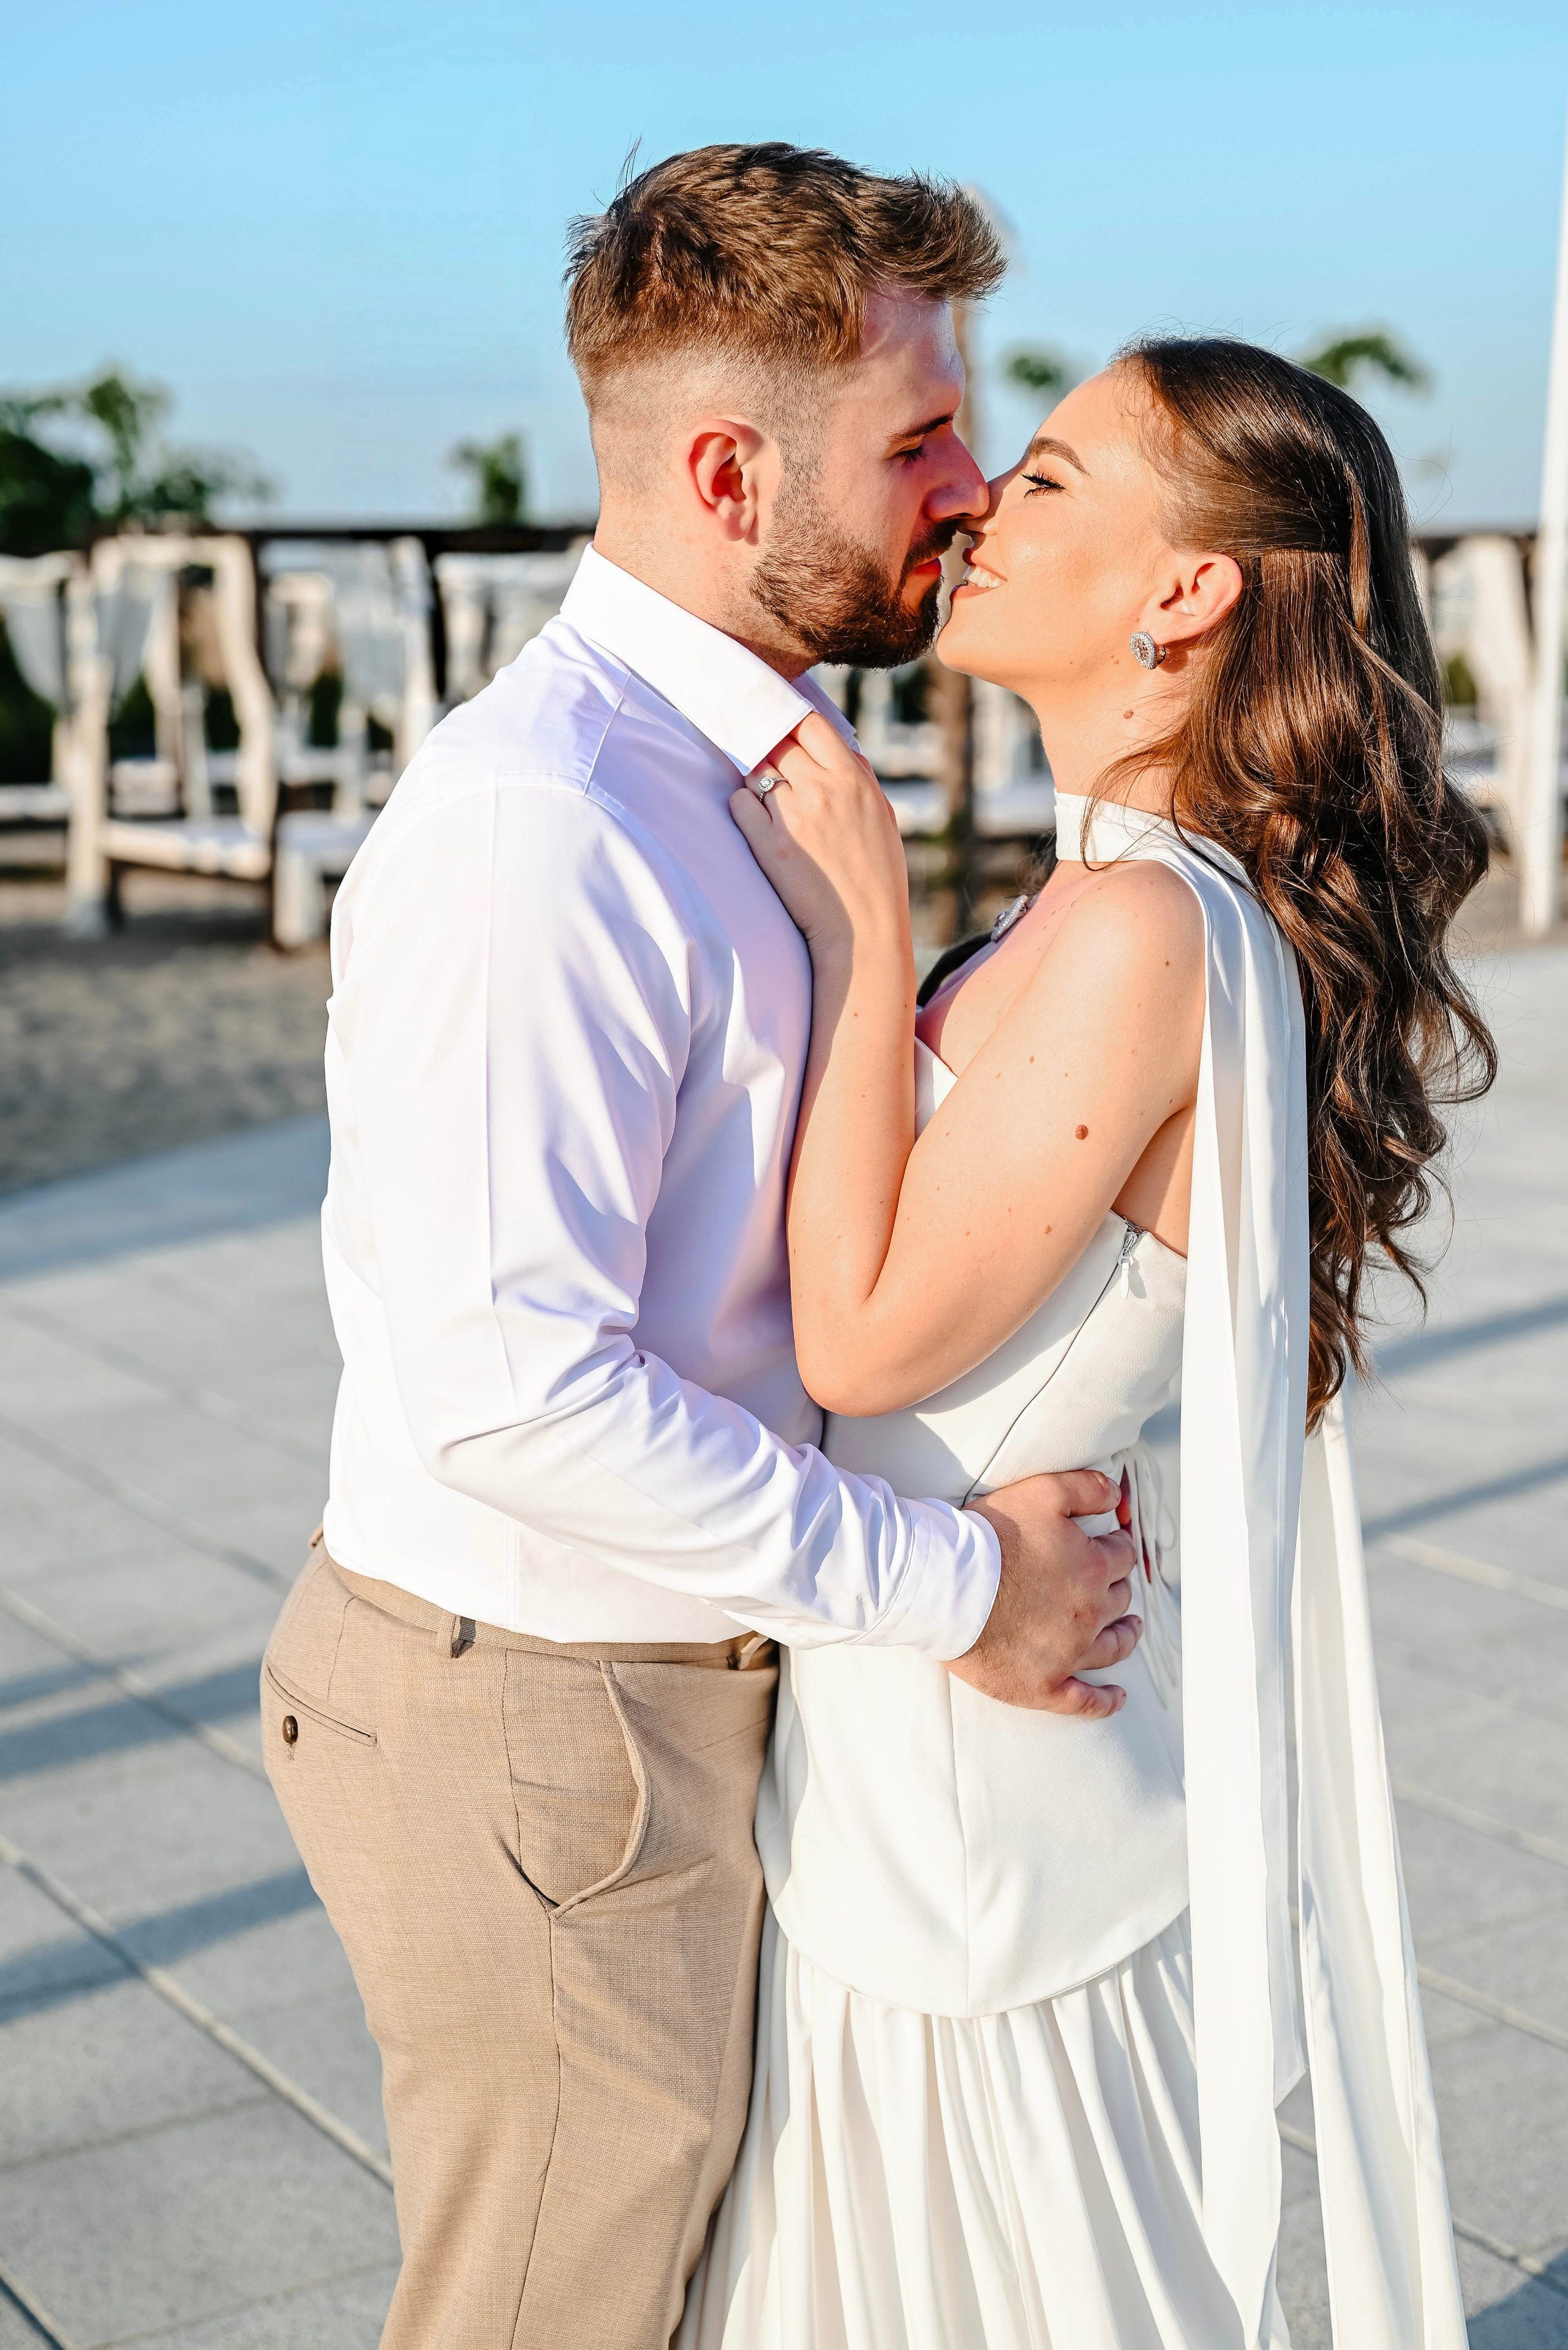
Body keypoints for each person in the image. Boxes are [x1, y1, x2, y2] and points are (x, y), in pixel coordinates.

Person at [261, 145, 1147, 2350]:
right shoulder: (542, 829)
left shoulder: (756, 760)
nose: (965, 481)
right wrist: (959, 1588)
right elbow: (510, 1393)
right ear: (735, 471)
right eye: (920, 435)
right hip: (547, 1730)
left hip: (664, 1694)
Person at [685, 339, 1495, 2349]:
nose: (973, 506)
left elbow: (866, 1342)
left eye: (1043, 481)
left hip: (970, 1811)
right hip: (946, 1736)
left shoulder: (1143, 931)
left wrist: (867, 934)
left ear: (1190, 589)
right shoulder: (1134, 905)